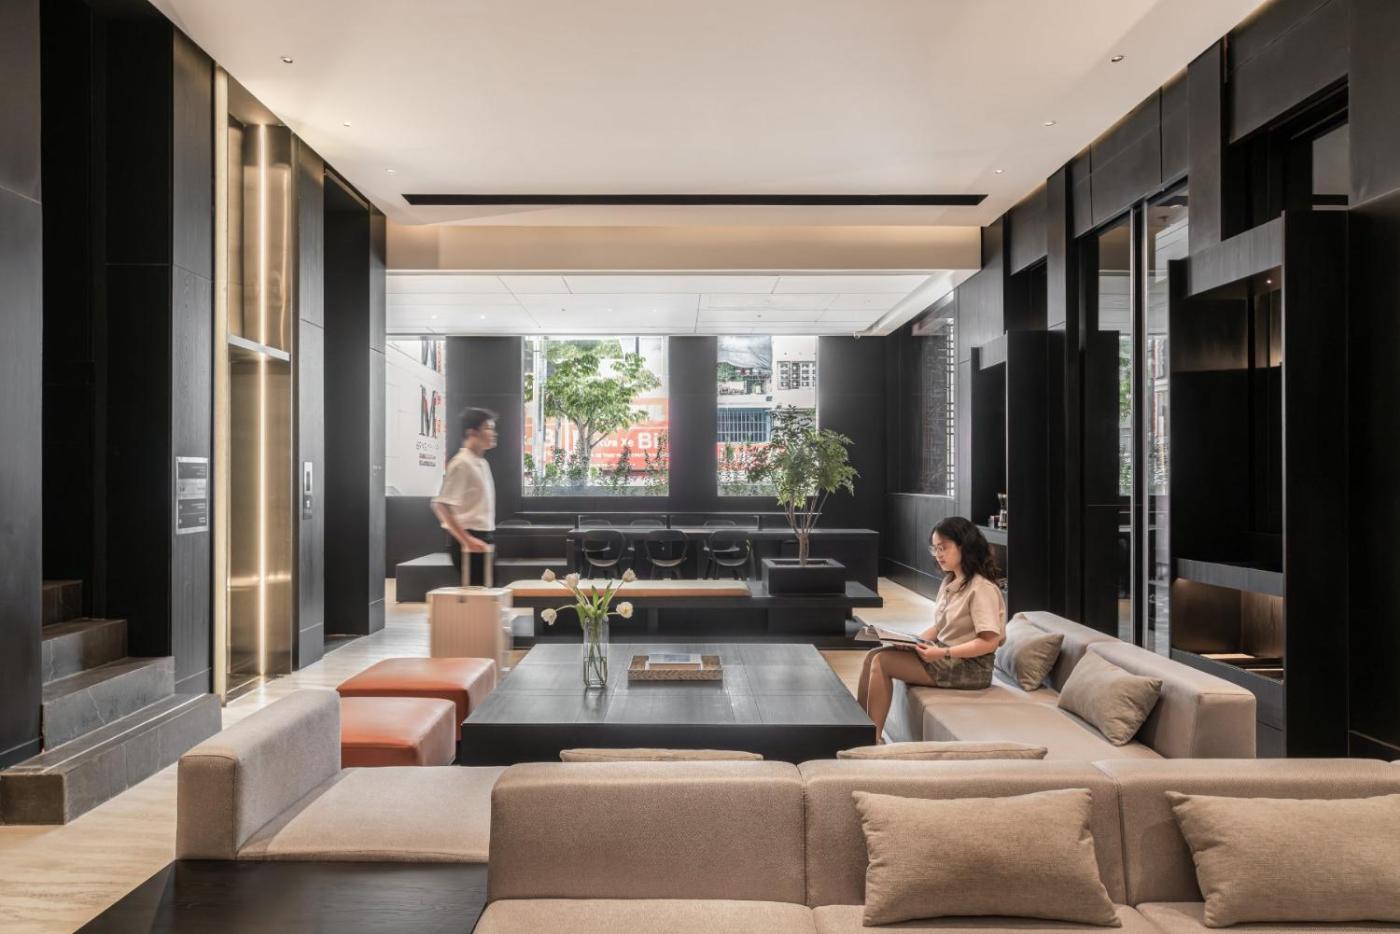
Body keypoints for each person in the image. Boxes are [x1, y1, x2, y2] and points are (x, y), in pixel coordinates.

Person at [856, 516, 1007, 741]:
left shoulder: (981, 588)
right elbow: (940, 626)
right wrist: (910, 642)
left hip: (972, 667)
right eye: (935, 549)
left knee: (883, 662)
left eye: (943, 548)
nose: (938, 554)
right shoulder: (950, 582)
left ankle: (871, 740)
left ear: (964, 546)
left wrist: (943, 652)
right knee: (873, 655)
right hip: (947, 655)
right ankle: (858, 730)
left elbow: (989, 642)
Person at [431, 408, 498, 586]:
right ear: (471, 433)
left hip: (484, 536)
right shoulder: (461, 463)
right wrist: (466, 540)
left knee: (488, 593)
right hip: (469, 537)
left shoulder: (482, 463)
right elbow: (440, 505)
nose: (493, 433)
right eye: (488, 428)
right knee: (478, 597)